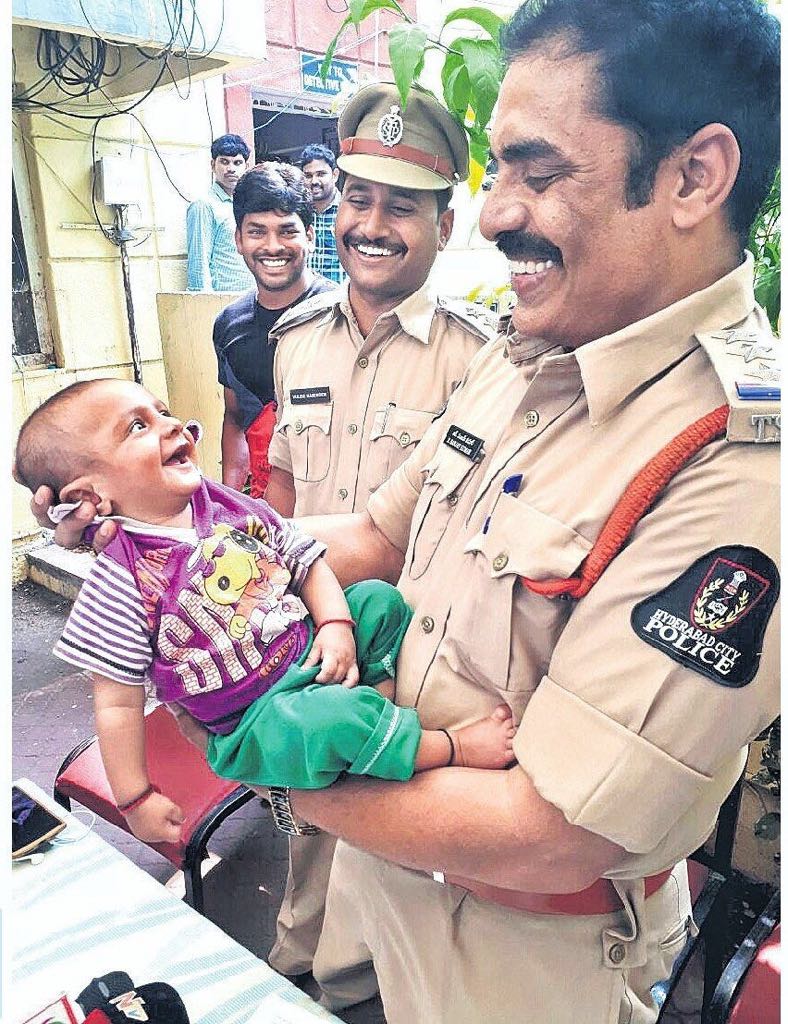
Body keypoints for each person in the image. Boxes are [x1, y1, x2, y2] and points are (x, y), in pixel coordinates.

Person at [30, 0, 781, 1018]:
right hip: (381, 878)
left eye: (538, 171)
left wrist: (266, 752)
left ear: (693, 176)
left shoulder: (735, 465)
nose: (493, 213)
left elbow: (555, 826)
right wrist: (167, 542)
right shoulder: (525, 362)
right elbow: (378, 538)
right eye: (496, 173)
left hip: (522, 950)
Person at [14, 378, 516, 843]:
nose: (170, 424)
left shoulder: (225, 505)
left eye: (163, 411)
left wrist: (337, 625)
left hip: (311, 654)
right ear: (86, 495)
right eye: (137, 427)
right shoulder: (118, 581)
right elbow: (117, 705)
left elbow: (304, 557)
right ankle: (449, 746)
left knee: (378, 603)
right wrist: (135, 798)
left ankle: (375, 710)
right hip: (256, 718)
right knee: (332, 722)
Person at [263, 81, 497, 980]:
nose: (371, 224)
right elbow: (283, 490)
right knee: (307, 841)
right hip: (314, 642)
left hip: (414, 653)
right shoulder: (295, 338)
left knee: (401, 868)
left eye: (403, 206)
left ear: (445, 223)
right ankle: (294, 978)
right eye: (358, 198)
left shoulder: (483, 360)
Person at [214, 163, 335, 498]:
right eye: (257, 231)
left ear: (309, 235)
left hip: (328, 512)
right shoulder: (229, 326)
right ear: (238, 239)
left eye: (287, 231)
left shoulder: (341, 316)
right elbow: (236, 419)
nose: (272, 246)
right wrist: (233, 502)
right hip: (263, 512)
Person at [186, 134, 255, 293]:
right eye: (224, 162)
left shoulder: (248, 204)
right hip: (222, 302)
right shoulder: (204, 205)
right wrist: (203, 307)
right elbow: (198, 263)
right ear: (212, 165)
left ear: (246, 166)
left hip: (250, 300)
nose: (231, 168)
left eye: (237, 162)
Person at [298, 143, 347, 285]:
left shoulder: (349, 211)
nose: (314, 181)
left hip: (340, 296)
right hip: (307, 298)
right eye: (308, 175)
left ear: (335, 175)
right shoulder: (299, 213)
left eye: (321, 174)